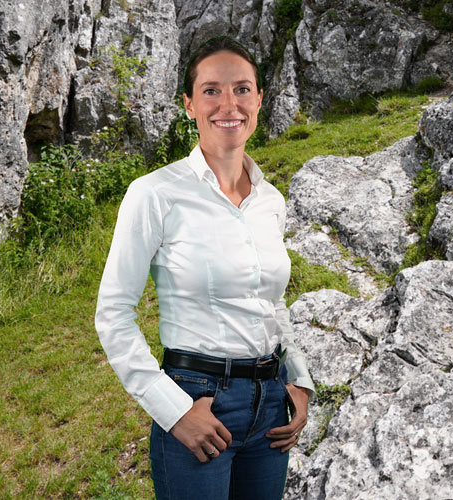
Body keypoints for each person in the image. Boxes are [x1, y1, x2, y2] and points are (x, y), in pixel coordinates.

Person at [95, 35, 315, 500]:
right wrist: (173, 410)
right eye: (211, 90)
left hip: (271, 403)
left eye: (242, 88)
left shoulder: (271, 200)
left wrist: (297, 378)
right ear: (189, 104)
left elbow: (272, 301)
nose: (228, 104)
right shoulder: (155, 193)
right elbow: (113, 312)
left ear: (259, 99)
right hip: (199, 400)